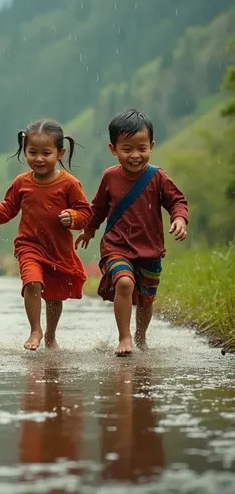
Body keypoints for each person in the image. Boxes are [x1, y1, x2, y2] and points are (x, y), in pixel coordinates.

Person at [0, 118, 92, 351]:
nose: (38, 158)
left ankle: (50, 335)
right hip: (29, 245)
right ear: (24, 151)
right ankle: (35, 329)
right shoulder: (21, 183)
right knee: (32, 282)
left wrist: (73, 217)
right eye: (32, 152)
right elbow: (8, 208)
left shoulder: (69, 184)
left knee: (54, 296)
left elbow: (85, 214)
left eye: (46, 152)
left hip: (58, 249)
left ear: (60, 153)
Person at [76, 108, 188, 357]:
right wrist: (89, 230)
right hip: (117, 246)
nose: (135, 155)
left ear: (152, 146)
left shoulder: (157, 177)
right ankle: (124, 337)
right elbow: (99, 208)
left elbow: (177, 201)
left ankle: (140, 336)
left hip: (150, 249)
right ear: (113, 149)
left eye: (142, 148)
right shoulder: (110, 177)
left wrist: (179, 219)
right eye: (127, 149)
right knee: (124, 283)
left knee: (147, 299)